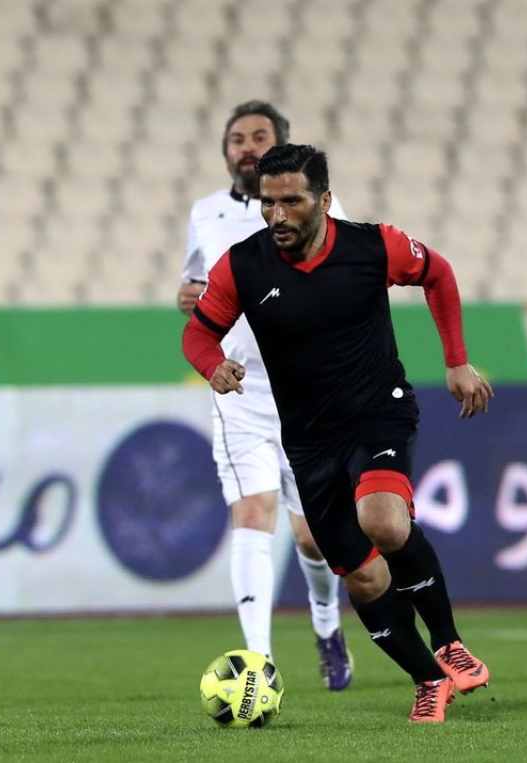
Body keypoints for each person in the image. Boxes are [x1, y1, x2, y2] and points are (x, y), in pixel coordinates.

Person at [182, 144, 494, 723]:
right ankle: (428, 679)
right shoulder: (242, 266)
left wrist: (456, 361)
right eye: (268, 202)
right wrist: (212, 365)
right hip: (309, 440)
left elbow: (439, 274)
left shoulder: (373, 246)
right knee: (364, 576)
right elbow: (198, 333)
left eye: (292, 201)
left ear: (324, 200)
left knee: (384, 521)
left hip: (378, 411)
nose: (277, 215)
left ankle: (449, 641)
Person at [176, 101, 353, 689]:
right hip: (240, 390)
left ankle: (327, 625)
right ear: (226, 150)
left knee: (312, 537)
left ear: (280, 145)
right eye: (237, 138)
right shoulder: (206, 213)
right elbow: (194, 284)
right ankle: (259, 663)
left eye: (259, 136)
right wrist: (188, 296)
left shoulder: (320, 209)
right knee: (253, 512)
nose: (247, 147)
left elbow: (350, 278)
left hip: (308, 394)